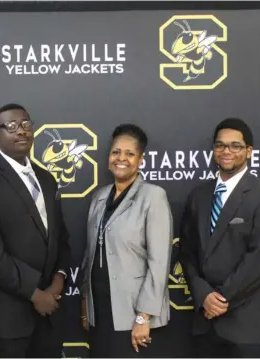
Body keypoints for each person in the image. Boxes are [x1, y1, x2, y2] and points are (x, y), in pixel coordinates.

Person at [0, 103, 71, 358]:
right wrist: (34, 293)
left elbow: (60, 237)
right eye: (11, 126)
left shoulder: (47, 178)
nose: (20, 131)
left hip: (49, 316)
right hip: (4, 322)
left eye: (25, 124)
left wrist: (59, 278)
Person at [179, 118, 260, 358]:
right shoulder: (199, 195)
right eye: (220, 145)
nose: (226, 151)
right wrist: (203, 294)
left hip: (249, 328)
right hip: (206, 326)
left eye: (235, 146)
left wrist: (222, 299)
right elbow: (186, 251)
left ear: (249, 151)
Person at [80, 124, 173, 357]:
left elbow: (159, 262)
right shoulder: (99, 196)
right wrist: (86, 303)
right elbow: (90, 253)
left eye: (129, 154)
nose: (121, 159)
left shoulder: (153, 196)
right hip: (100, 311)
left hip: (134, 314)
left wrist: (144, 316)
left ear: (140, 159)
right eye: (116, 152)